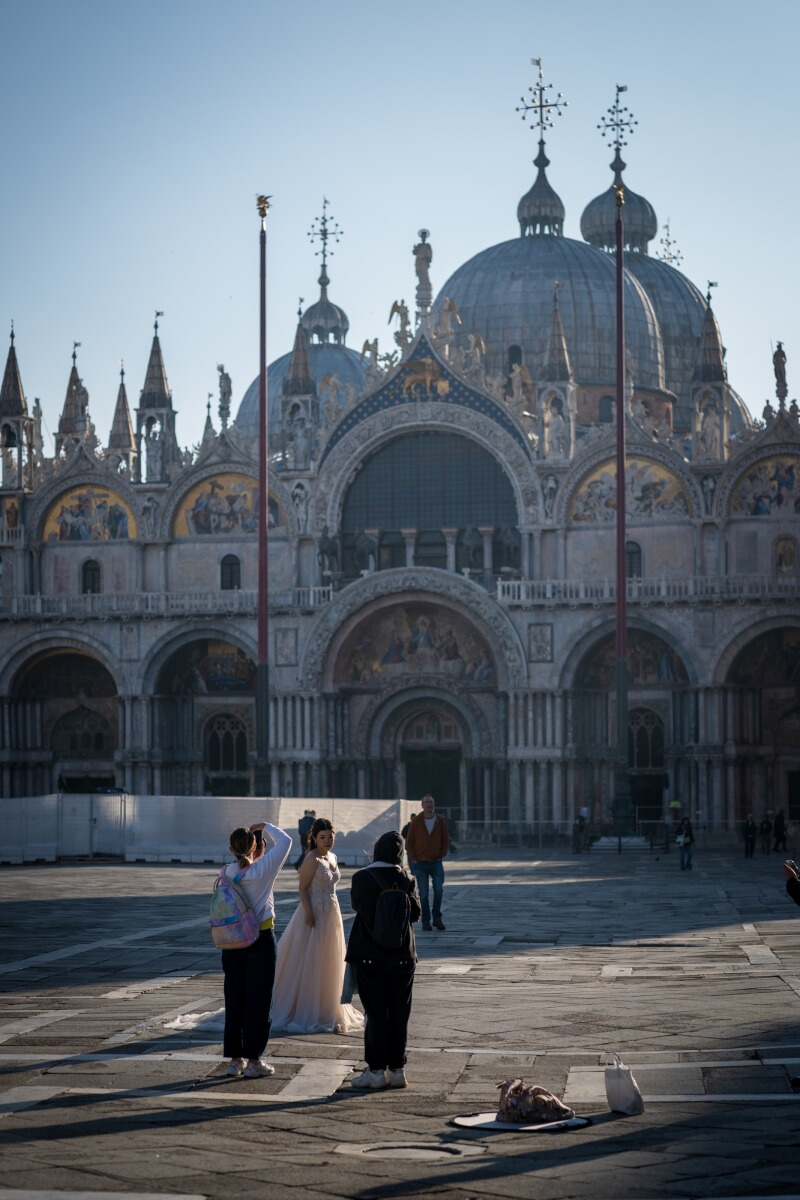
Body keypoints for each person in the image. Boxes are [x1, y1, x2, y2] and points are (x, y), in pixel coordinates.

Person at [270, 818, 363, 1035]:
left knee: (330, 959)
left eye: (330, 836)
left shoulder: (332, 856)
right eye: (323, 837)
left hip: (332, 912)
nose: (328, 840)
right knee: (310, 959)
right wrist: (309, 912)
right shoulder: (311, 858)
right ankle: (308, 1008)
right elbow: (302, 888)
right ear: (314, 838)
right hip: (313, 912)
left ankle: (330, 1006)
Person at [346, 831, 421, 1090]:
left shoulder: (361, 877)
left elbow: (357, 905)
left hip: (370, 956)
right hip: (403, 957)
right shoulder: (408, 879)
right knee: (399, 1014)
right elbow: (416, 915)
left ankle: (376, 1071)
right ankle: (397, 1070)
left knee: (376, 1014)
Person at [221, 821, 292, 1078]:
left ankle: (234, 1060)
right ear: (256, 845)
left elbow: (243, 867)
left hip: (231, 942)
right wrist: (265, 825)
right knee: (259, 1001)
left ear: (230, 849)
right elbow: (286, 842)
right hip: (260, 939)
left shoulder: (226, 871)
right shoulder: (263, 870)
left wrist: (253, 855)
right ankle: (254, 1061)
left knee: (235, 998)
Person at [405, 795, 449, 931]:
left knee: (438, 891)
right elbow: (409, 842)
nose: (429, 804)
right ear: (422, 805)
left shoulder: (440, 821)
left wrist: (441, 856)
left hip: (436, 862)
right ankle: (426, 921)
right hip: (420, 863)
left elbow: (445, 840)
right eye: (426, 802)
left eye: (431, 802)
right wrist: (414, 859)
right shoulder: (416, 822)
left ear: (434, 805)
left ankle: (437, 918)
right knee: (423, 894)